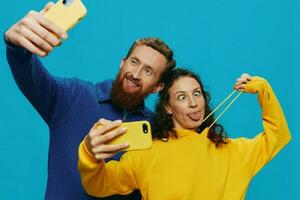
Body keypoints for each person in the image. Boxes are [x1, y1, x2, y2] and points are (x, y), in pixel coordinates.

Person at [4, 2, 175, 200]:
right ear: (122, 63)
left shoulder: (157, 128)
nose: (135, 74)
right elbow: (28, 73)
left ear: (158, 87)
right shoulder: (73, 96)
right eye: (134, 62)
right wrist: (16, 46)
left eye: (148, 71)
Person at [78, 68, 291, 200]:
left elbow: (278, 135)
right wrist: (89, 152)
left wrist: (263, 89)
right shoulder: (147, 155)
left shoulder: (234, 152)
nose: (193, 103)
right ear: (167, 107)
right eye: (181, 97)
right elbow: (98, 185)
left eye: (196, 93)